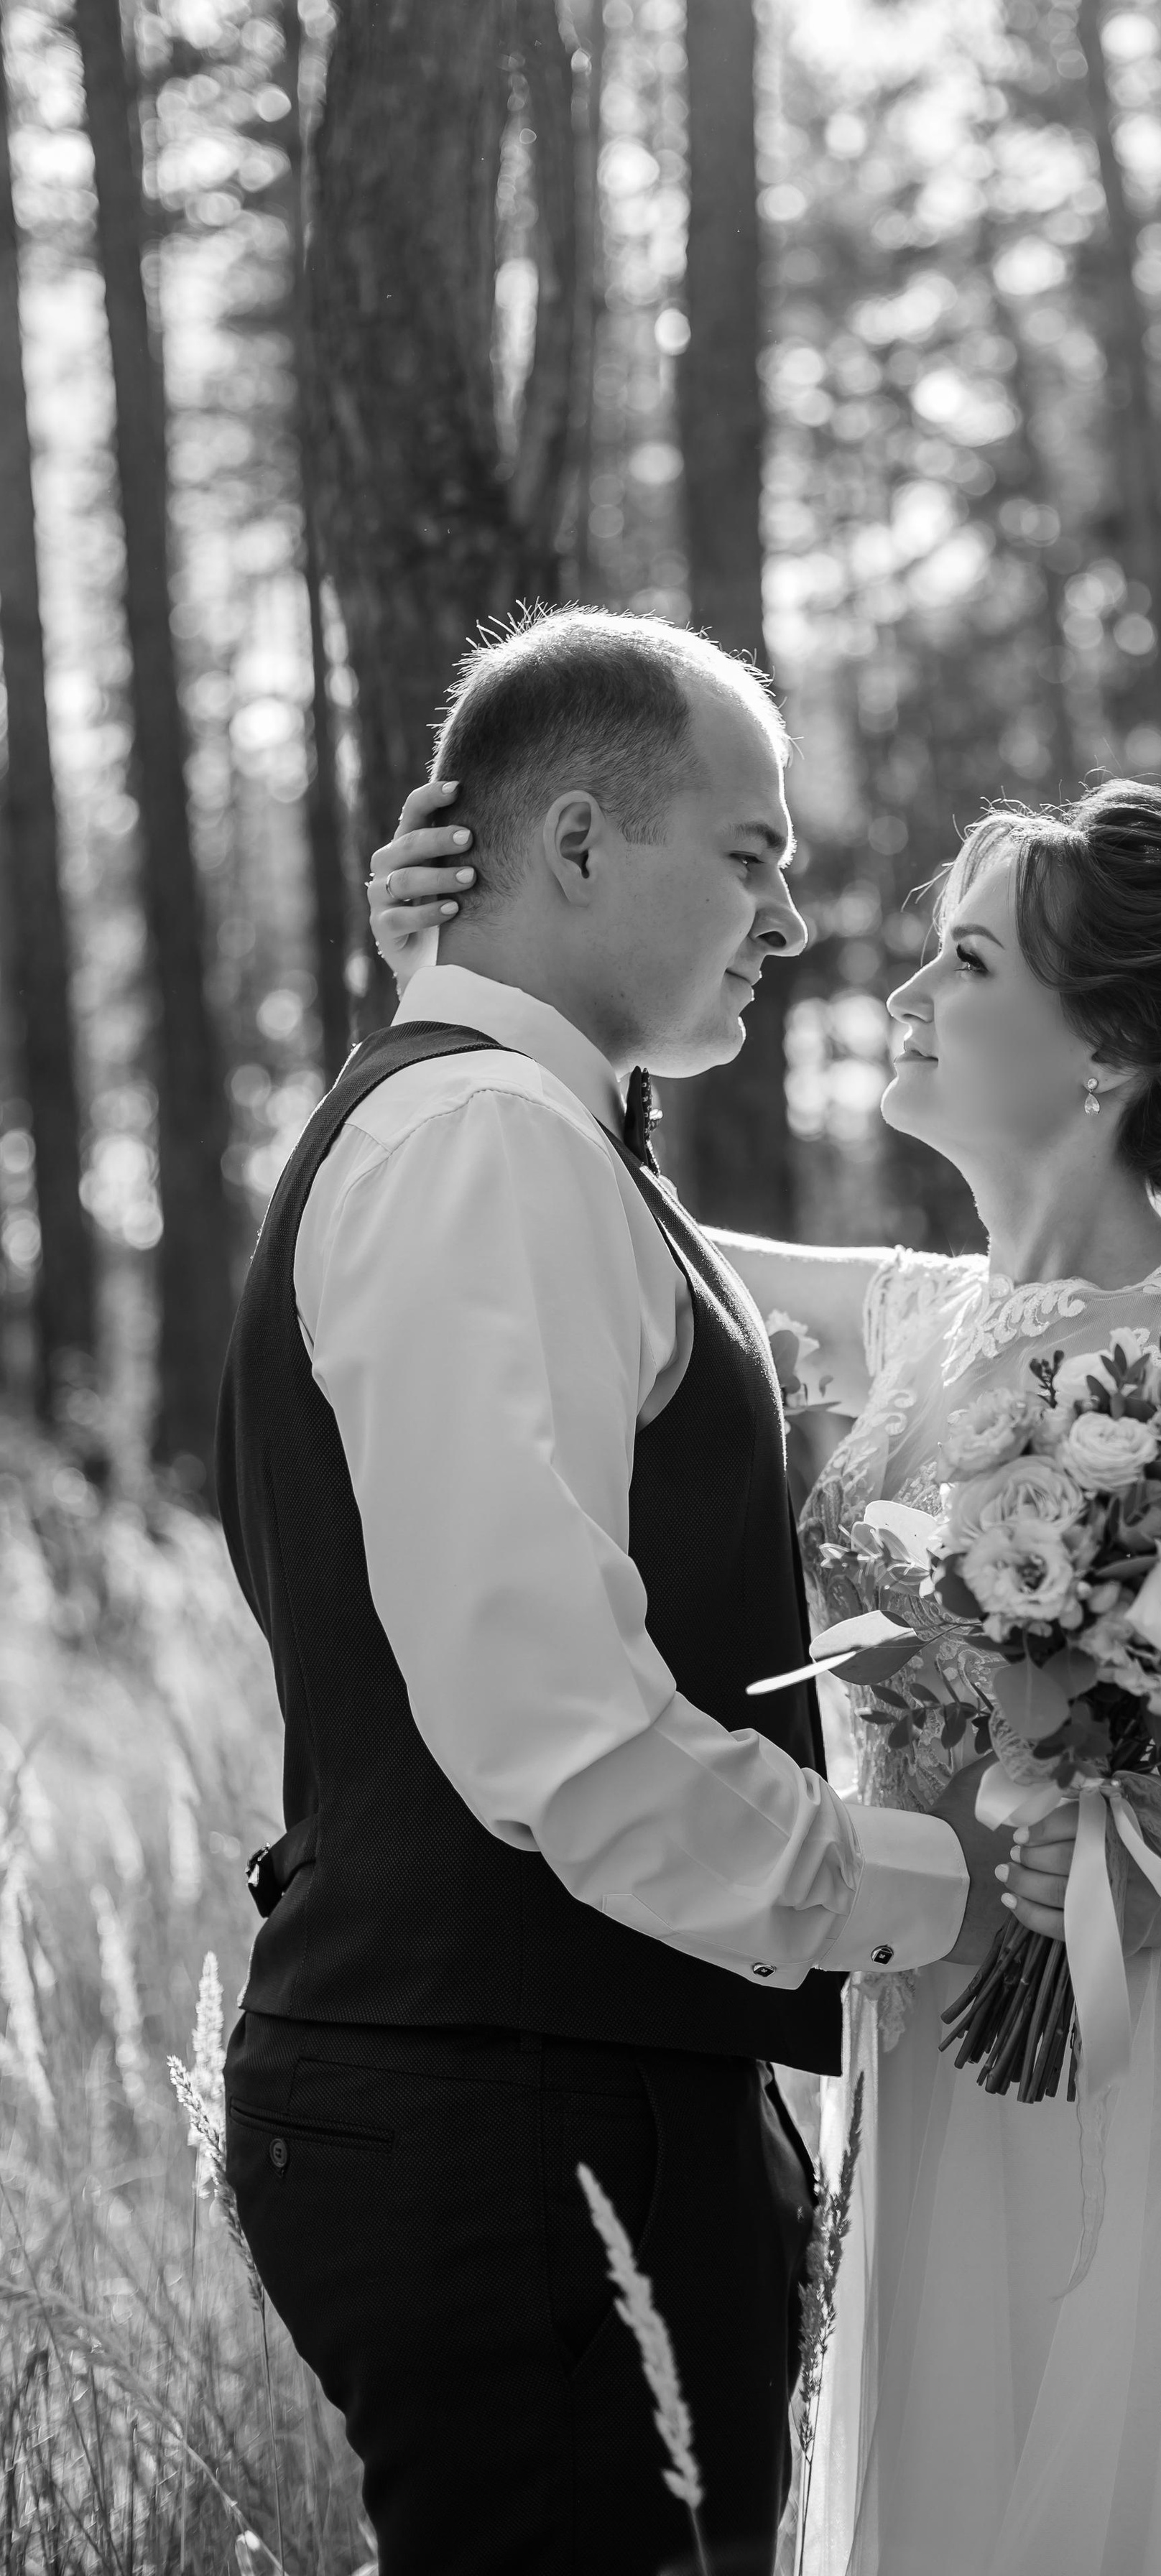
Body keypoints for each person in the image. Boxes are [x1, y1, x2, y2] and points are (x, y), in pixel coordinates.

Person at [370, 764, 1161, 2572]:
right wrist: (459, 972)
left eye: (961, 962)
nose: (898, 993)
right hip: (934, 2082)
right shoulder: (918, 1315)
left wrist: (1138, 1883)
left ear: (1102, 1050)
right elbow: (565, 1200)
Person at [218, 609, 1017, 2576]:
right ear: (577, 844)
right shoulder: (486, 1145)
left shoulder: (524, 1131)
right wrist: (949, 1896)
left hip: (554, 2082)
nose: (790, 921)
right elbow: (558, 1733)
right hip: (519, 2116)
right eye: (750, 857)